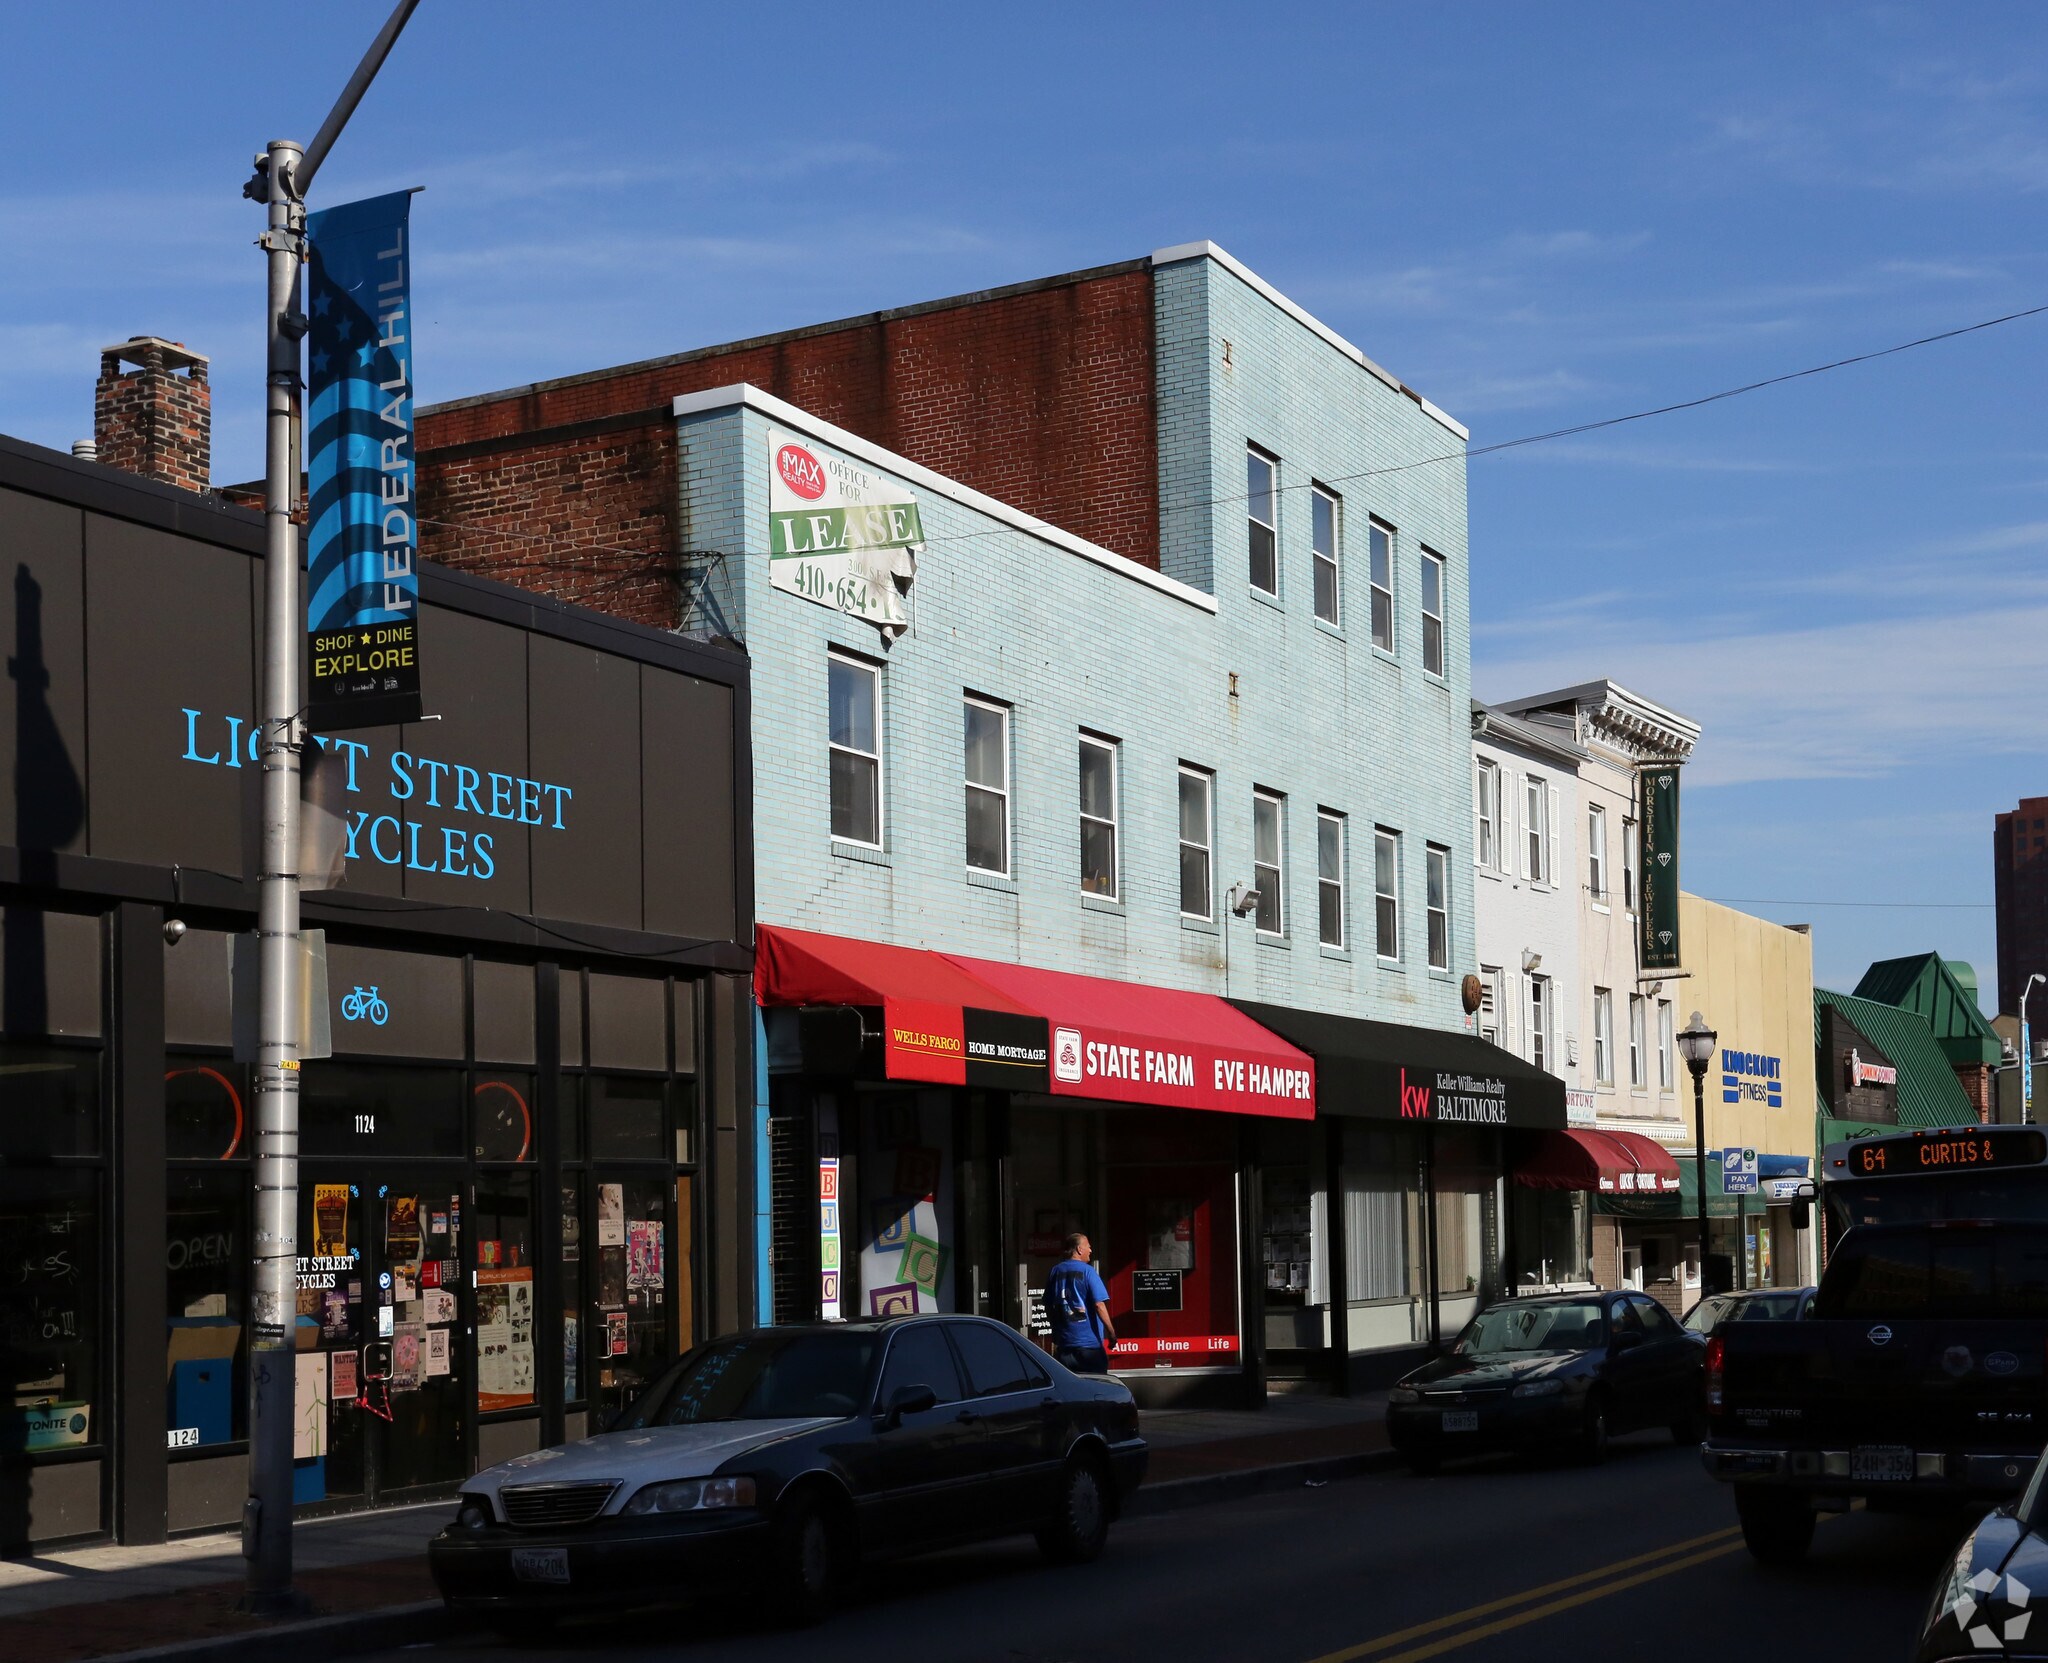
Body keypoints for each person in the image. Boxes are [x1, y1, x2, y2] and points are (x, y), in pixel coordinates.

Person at [1047, 1232, 1116, 1374]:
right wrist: (1112, 1332)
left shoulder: (1055, 1271)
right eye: (1088, 1247)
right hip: (1089, 1348)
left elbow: (1048, 1305)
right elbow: (1099, 1305)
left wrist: (1055, 1330)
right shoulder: (1088, 1272)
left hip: (1065, 1346)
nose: (1091, 1250)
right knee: (1096, 1388)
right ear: (1079, 1249)